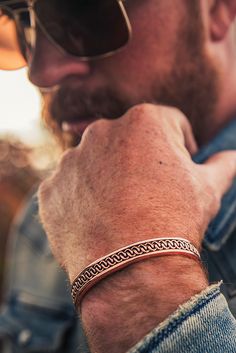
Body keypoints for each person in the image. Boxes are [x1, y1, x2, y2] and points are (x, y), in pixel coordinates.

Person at [0, 0, 236, 352]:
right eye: (24, 22)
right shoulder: (46, 217)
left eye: (87, 12)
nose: (41, 72)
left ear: (219, 10)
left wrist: (143, 291)